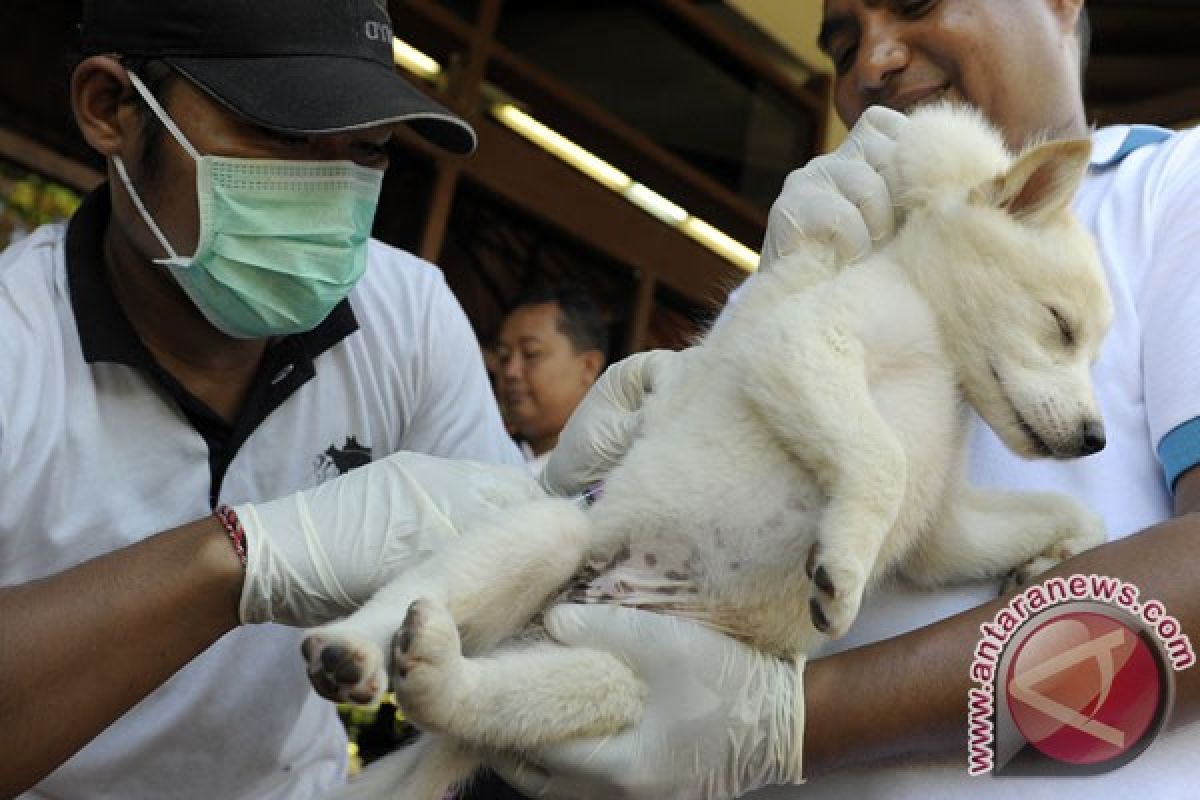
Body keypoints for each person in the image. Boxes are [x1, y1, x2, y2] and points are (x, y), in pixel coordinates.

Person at [494, 1, 1200, 798]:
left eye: (917, 2)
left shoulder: (1174, 189)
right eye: (839, 45)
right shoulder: (820, 253)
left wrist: (796, 721)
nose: (872, 63)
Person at [0, 1, 558, 797]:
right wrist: (235, 559)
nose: (329, 193)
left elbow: (511, 613)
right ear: (111, 109)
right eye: (283, 136)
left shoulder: (405, 318)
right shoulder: (17, 348)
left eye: (366, 148)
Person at [494, 284, 607, 477]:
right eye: (504, 357)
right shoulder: (483, 456)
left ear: (589, 367)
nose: (510, 371)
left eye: (531, 353)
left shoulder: (613, 478)